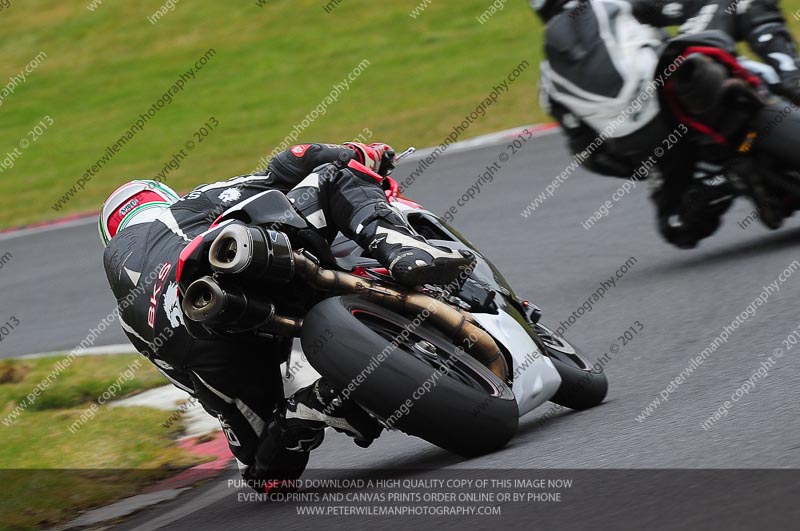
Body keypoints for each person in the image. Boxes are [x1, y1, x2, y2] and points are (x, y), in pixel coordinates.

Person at [99, 141, 474, 491]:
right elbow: (295, 159)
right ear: (163, 199)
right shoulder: (187, 206)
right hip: (243, 261)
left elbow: (188, 380)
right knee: (334, 174)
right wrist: (360, 150)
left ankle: (305, 413)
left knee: (267, 476)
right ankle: (404, 251)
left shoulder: (127, 316)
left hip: (204, 341)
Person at [533, 0, 800, 248]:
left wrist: (646, 168)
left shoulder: (547, 83)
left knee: (677, 226)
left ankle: (719, 181)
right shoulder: (616, 3)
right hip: (683, 83)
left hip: (654, 144)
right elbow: (693, 6)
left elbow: (593, 155)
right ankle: (791, 76)